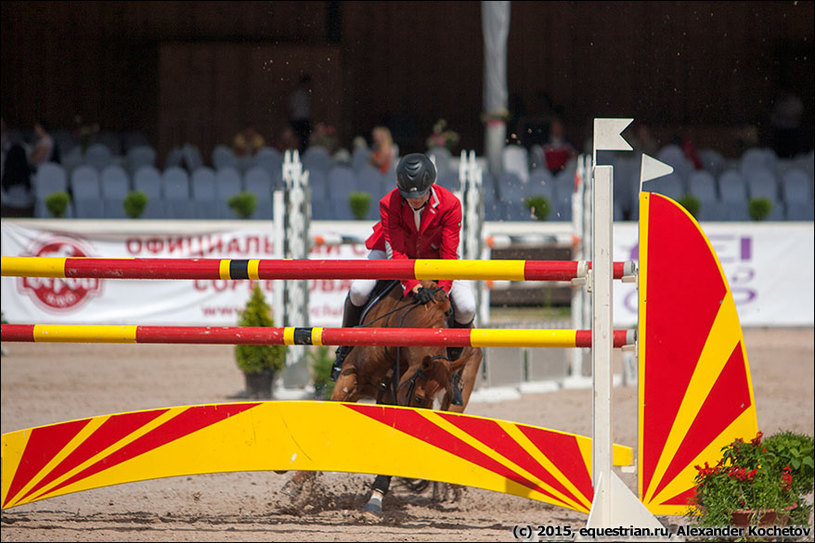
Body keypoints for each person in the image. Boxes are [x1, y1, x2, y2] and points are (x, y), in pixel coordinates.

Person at [330, 153, 477, 380]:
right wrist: (414, 286)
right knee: (359, 291)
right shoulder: (389, 203)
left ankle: (454, 360)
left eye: (419, 194)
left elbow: (448, 254)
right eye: (409, 195)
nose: (414, 200)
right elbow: (396, 252)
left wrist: (442, 291)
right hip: (396, 253)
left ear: (430, 186)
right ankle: (344, 349)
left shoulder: (451, 205)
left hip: (437, 258)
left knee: (466, 307)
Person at [1, 144, 35, 217]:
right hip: (24, 207)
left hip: (10, 207)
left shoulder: (7, 173)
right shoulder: (27, 174)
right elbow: (31, 192)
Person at [288, 74, 312, 154]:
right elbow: (291, 109)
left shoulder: (307, 94)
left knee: (305, 140)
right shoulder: (296, 95)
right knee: (296, 140)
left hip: (305, 119)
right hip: (297, 120)